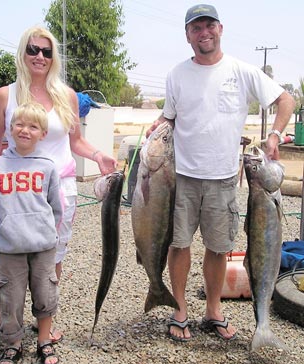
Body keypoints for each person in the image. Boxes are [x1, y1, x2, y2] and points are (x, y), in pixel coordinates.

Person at [146, 4, 295, 342]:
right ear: (187, 35)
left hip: (225, 178)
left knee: (218, 247)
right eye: (196, 28)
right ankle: (180, 308)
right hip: (180, 177)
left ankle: (213, 309)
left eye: (209, 26)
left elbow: (285, 100)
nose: (204, 33)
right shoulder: (176, 75)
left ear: (220, 29)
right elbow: (170, 118)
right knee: (178, 244)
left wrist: (273, 135)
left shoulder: (242, 71)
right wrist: (158, 126)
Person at [0, 26, 117, 351]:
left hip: (57, 191)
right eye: (33, 50)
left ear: (53, 57)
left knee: (49, 263)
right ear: (23, 53)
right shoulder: (4, 95)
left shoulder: (66, 95)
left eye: (46, 51)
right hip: (12, 191)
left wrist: (98, 155)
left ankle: (43, 322)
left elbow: (75, 141)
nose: (40, 56)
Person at [0, 102, 62, 364]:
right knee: (10, 297)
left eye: (33, 126)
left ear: (43, 134)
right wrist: (7, 224)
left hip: (42, 247)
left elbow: (55, 208)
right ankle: (13, 343)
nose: (25, 130)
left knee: (45, 293)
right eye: (19, 124)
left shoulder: (48, 167)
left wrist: (46, 230)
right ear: (10, 128)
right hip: (10, 248)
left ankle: (44, 340)